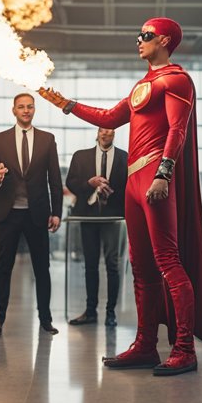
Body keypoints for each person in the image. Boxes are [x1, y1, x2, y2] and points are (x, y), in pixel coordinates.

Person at [41, 17, 202, 376]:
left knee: (168, 261)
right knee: (141, 267)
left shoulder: (176, 79)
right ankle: (145, 345)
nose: (139, 40)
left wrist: (164, 172)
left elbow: (178, 129)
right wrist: (64, 103)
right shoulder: (143, 84)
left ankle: (184, 349)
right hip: (135, 181)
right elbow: (108, 116)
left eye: (146, 35)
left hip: (152, 175)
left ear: (164, 40)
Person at [0, 93, 64, 339]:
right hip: (8, 214)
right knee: (3, 269)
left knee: (42, 269)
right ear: (14, 110)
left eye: (30, 107)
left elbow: (55, 181)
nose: (26, 110)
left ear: (34, 110)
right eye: (21, 107)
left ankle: (45, 320)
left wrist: (56, 212)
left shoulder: (48, 140)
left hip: (37, 214)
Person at [65, 127, 128, 327]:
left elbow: (130, 185)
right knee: (90, 265)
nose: (105, 133)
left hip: (113, 217)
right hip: (87, 215)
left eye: (110, 130)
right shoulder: (80, 156)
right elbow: (71, 183)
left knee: (112, 264)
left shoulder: (125, 157)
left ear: (114, 134)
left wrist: (112, 194)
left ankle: (111, 313)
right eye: (102, 130)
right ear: (98, 132)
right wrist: (89, 184)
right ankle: (90, 311)